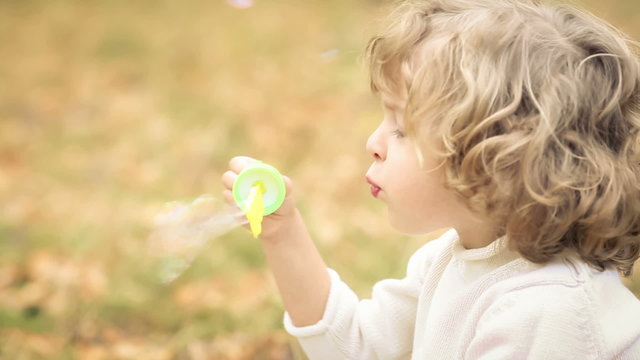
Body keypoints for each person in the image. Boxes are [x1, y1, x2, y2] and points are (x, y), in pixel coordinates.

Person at [222, 0, 640, 358]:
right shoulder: (449, 260)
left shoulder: (547, 309)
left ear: (495, 161)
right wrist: (284, 234)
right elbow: (352, 347)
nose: (374, 142)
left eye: (402, 128)